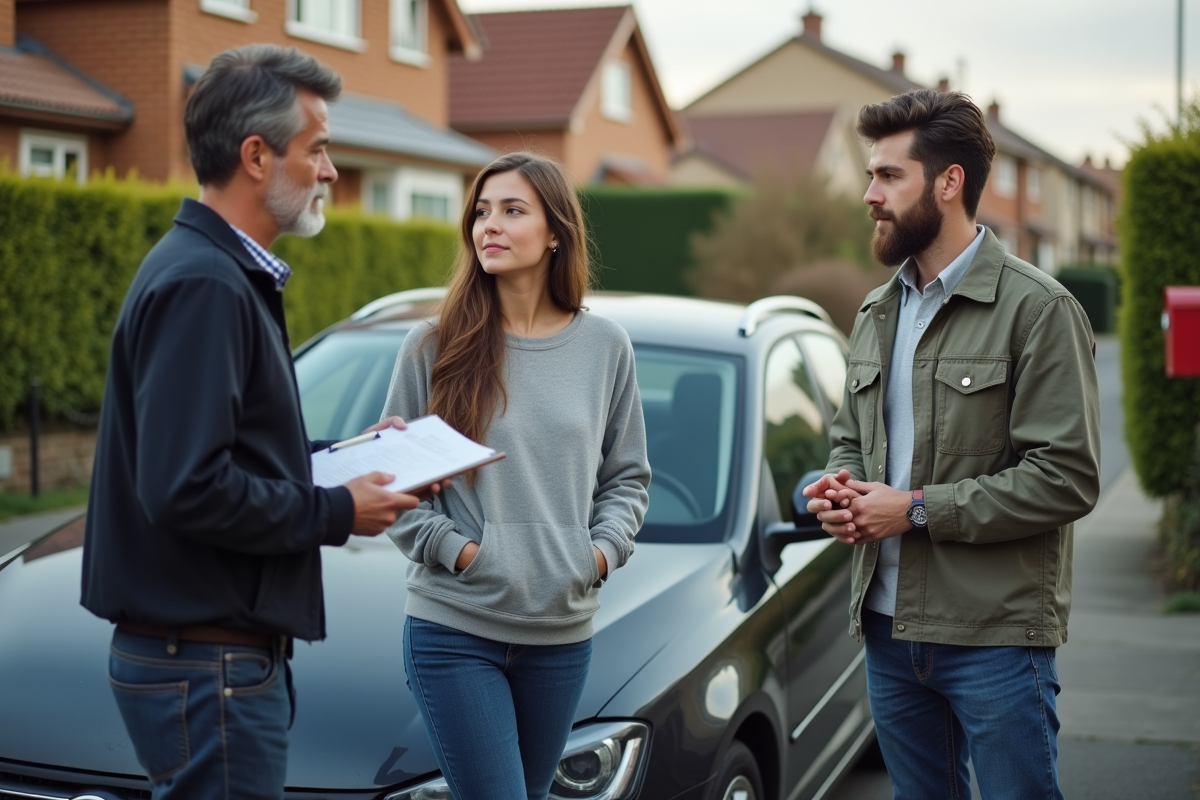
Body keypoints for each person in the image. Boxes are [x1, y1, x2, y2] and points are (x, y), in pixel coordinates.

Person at [81, 45, 427, 800]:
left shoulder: (212, 271)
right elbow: (186, 487)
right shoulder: (206, 284)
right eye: (320, 149)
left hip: (207, 670)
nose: (331, 171)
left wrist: (353, 453)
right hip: (208, 674)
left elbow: (229, 452)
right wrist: (339, 508)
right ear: (257, 156)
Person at [802, 89, 1100, 800]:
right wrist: (841, 489)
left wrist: (914, 509)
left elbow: (1066, 478)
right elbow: (851, 438)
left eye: (888, 176)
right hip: (886, 630)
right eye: (870, 174)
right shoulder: (876, 311)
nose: (869, 194)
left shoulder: (1039, 310)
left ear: (949, 182)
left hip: (995, 638)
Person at [381, 152, 651, 800]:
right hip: (455, 628)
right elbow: (390, 482)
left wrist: (598, 555)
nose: (487, 226)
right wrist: (464, 553)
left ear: (555, 231)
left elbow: (628, 477)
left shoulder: (605, 346)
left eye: (511, 210)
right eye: (481, 211)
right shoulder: (433, 344)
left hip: (561, 635)